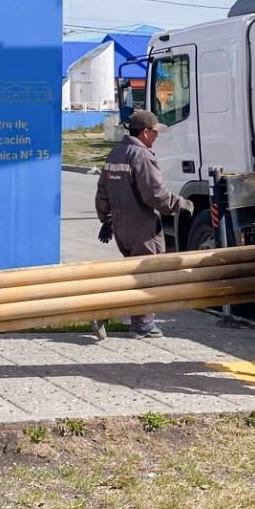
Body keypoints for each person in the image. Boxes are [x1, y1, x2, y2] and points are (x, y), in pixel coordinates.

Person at [93, 108, 193, 339]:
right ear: (146, 132)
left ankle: (112, 313)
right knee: (149, 275)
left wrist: (106, 219)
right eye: (155, 132)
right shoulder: (142, 156)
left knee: (131, 273)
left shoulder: (115, 154)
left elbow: (102, 192)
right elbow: (155, 194)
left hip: (121, 227)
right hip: (142, 227)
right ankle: (140, 324)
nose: (156, 136)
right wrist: (180, 204)